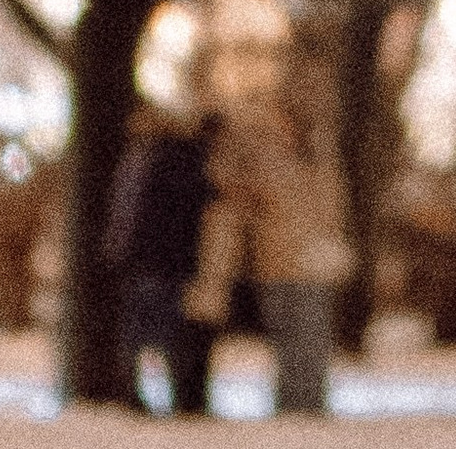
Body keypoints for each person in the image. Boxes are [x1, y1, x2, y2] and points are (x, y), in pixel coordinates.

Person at [188, 69, 353, 415]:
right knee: (291, 338)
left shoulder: (317, 156)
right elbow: (230, 187)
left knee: (313, 338)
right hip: (276, 259)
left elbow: (331, 205)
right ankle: (293, 406)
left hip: (313, 259)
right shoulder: (261, 154)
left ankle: (309, 405)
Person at [106, 104, 220, 416]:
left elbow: (130, 215)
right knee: (160, 329)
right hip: (162, 261)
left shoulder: (148, 160)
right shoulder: (172, 161)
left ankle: (138, 392)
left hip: (148, 259)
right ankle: (158, 393)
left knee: (144, 329)